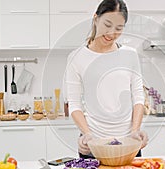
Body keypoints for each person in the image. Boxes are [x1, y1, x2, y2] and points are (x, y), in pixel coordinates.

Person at [64, 0, 148, 158]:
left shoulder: (130, 55)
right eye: (107, 25)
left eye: (118, 28)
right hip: (94, 145)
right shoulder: (76, 57)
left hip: (128, 144)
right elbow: (74, 104)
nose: (111, 33)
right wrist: (87, 134)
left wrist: (135, 131)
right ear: (96, 19)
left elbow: (138, 97)